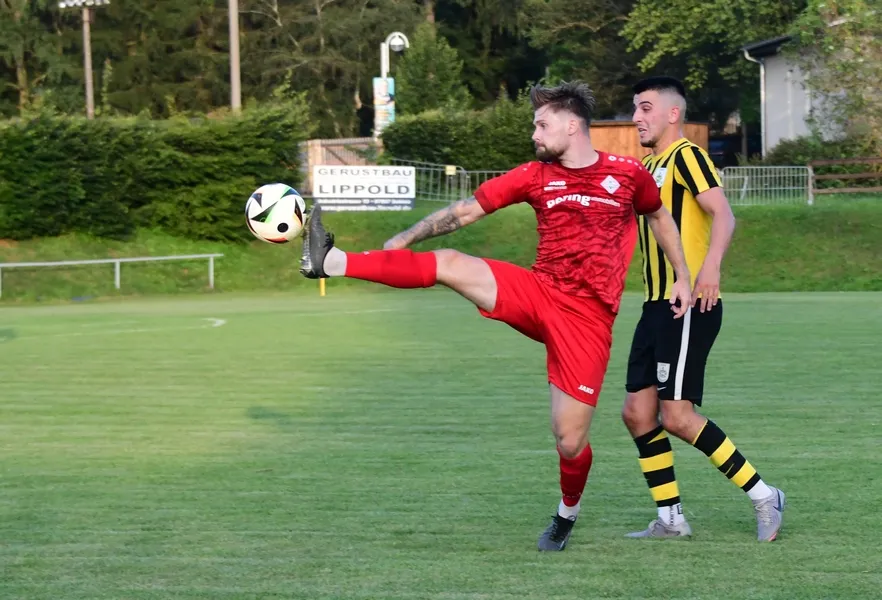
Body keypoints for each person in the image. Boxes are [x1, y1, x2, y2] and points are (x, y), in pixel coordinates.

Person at [299, 81, 693, 551]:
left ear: (572, 125)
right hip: (539, 291)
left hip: (586, 321)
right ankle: (331, 260)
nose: (534, 133)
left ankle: (566, 515)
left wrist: (683, 276)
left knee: (569, 440)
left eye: (541, 124)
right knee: (450, 262)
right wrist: (405, 238)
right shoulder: (534, 175)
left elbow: (660, 218)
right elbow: (466, 212)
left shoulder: (629, 174)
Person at [623, 75, 785, 541]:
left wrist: (708, 270)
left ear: (673, 114)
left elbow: (723, 212)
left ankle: (764, 495)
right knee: (637, 413)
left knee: (676, 415)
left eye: (646, 107)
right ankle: (671, 519)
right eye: (636, 107)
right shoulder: (647, 166)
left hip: (688, 303)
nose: (637, 116)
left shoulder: (687, 156)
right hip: (656, 303)